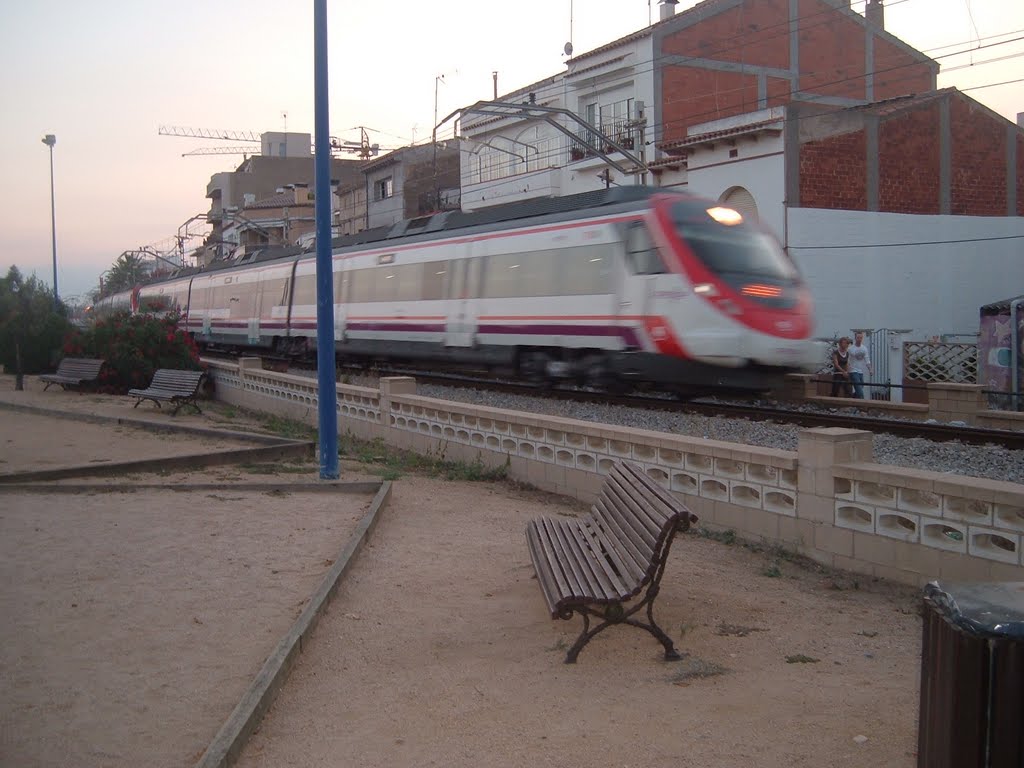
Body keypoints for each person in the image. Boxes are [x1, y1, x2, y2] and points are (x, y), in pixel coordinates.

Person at [848, 331, 873, 399]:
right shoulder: (851, 349)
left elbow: (867, 360)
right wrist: (848, 369)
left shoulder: (864, 348)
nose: (859, 339)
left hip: (860, 371)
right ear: (855, 338)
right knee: (859, 390)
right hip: (853, 371)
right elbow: (848, 360)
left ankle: (853, 397)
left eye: (861, 338)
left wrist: (870, 369)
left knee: (861, 386)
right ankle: (863, 404)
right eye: (858, 337)